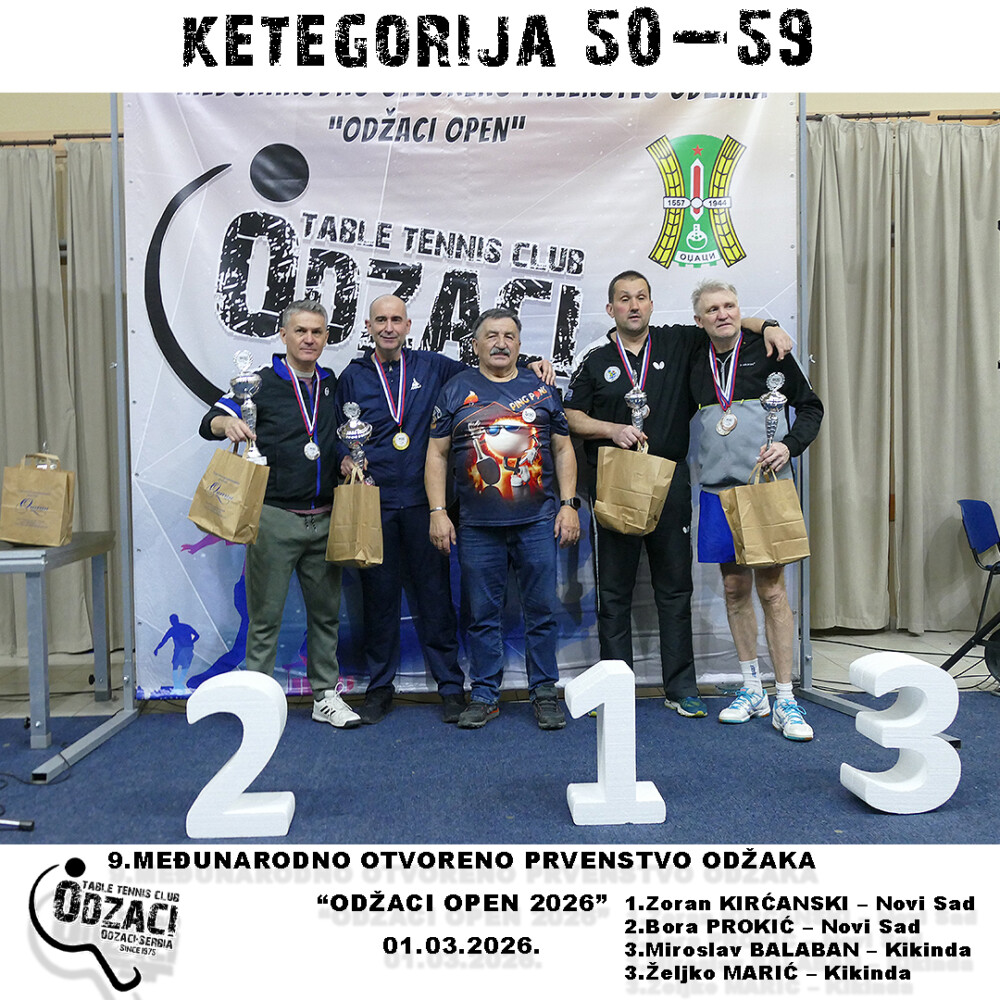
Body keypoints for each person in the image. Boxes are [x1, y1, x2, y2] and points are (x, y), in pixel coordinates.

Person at [564, 270, 792, 718]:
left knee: (674, 588)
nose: (634, 305)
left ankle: (681, 687)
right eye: (624, 299)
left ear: (652, 305)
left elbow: (723, 321)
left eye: (641, 297)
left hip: (670, 478)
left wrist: (768, 326)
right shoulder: (595, 358)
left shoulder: (677, 341)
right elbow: (570, 414)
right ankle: (614, 689)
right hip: (616, 480)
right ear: (610, 309)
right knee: (614, 592)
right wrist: (611, 429)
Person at [335, 294, 556, 725]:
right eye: (380, 320)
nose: (388, 327)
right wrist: (344, 455)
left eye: (396, 320)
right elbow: (337, 429)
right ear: (369, 326)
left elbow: (493, 369)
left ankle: (451, 687)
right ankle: (379, 689)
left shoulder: (435, 367)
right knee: (378, 599)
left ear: (408, 325)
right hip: (373, 501)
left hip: (425, 504)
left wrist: (531, 364)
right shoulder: (353, 376)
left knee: (435, 599)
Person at [198, 299, 360, 729]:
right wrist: (228, 425)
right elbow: (209, 421)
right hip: (274, 517)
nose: (309, 339)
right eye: (301, 331)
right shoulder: (260, 384)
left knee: (326, 616)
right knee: (265, 618)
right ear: (283, 335)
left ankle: (326, 696)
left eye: (317, 332)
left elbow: (333, 439)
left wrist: (345, 459)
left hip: (326, 517)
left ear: (327, 338)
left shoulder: (330, 384)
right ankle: (257, 702)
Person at [425, 307, 580, 730]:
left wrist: (569, 504)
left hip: (537, 521)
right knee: (481, 615)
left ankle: (544, 692)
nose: (500, 343)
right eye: (491, 335)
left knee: (541, 611)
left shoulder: (541, 389)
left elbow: (563, 448)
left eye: (509, 336)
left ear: (519, 343)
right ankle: (485, 694)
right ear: (476, 344)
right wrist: (438, 512)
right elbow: (436, 455)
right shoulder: (456, 389)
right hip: (476, 526)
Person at [690, 279, 823, 740]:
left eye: (730, 306)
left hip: (765, 488)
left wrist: (789, 445)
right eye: (712, 309)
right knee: (733, 589)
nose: (723, 314)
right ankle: (752, 688)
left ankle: (785, 697)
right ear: (699, 320)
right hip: (716, 492)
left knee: (772, 591)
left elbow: (811, 408)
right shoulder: (694, 357)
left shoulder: (770, 353)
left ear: (739, 309)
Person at [153, 613, 199, 690]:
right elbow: (164, 640)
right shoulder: (178, 628)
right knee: (179, 666)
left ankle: (179, 683)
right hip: (183, 649)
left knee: (179, 666)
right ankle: (177, 683)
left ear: (176, 620)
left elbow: (197, 635)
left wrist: (190, 642)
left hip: (184, 650)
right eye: (171, 621)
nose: (172, 622)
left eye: (173, 620)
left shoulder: (178, 628)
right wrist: (157, 648)